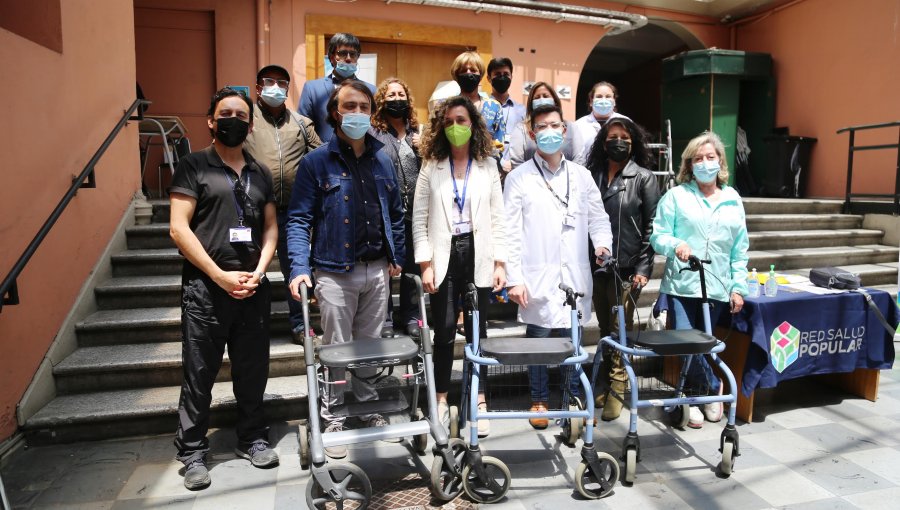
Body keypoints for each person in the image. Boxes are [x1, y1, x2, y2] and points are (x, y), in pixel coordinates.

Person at [286, 80, 406, 459]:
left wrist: (396, 256)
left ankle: (368, 407)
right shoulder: (315, 162)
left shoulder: (382, 158)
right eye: (349, 106)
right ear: (335, 113)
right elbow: (298, 219)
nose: (357, 113)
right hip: (334, 271)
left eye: (364, 106)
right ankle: (334, 414)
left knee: (369, 345)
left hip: (377, 271)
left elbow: (397, 215)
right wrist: (298, 268)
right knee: (337, 348)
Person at [169, 87, 280, 490]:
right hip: (206, 288)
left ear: (249, 125)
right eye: (225, 113)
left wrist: (260, 270)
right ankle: (194, 451)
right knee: (199, 372)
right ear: (212, 121)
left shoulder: (260, 172)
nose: (233, 119)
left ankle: (252, 439)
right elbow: (178, 228)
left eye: (240, 114)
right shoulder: (193, 166)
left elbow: (270, 227)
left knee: (253, 369)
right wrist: (219, 275)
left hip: (253, 287)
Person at [503, 104, 612, 429]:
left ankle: (572, 398)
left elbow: (598, 217)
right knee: (538, 340)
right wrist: (514, 279)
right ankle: (539, 399)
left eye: (555, 125)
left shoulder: (581, 175)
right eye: (542, 126)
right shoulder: (519, 177)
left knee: (573, 341)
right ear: (532, 133)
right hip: (535, 274)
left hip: (574, 275)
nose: (549, 131)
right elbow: (509, 230)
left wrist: (602, 242)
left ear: (564, 132)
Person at [413, 95, 508, 438]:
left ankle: (478, 399)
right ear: (442, 126)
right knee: (445, 331)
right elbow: (419, 218)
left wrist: (500, 261)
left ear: (473, 125)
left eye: (462, 121)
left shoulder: (487, 165)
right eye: (450, 121)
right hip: (443, 253)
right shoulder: (430, 165)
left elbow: (498, 217)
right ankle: (439, 398)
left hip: (478, 251)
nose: (456, 127)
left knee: (478, 331)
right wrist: (425, 263)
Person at [649, 131, 748, 429]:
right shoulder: (676, 196)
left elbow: (739, 249)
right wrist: (674, 245)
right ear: (689, 165)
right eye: (698, 158)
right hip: (681, 284)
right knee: (685, 343)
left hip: (716, 285)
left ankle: (694, 396)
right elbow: (658, 235)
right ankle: (709, 388)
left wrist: (738, 286)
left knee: (703, 344)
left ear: (720, 162)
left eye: (710, 157)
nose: (705, 163)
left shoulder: (733, 200)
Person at [584, 117, 660, 421]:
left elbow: (652, 225)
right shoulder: (592, 176)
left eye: (625, 138)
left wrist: (644, 266)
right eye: (613, 137)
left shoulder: (644, 178)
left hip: (627, 268)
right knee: (605, 327)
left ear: (633, 143)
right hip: (597, 266)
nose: (619, 142)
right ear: (604, 143)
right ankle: (603, 379)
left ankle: (618, 384)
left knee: (621, 327)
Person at [243, 64, 322, 345]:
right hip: (252, 210)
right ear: (258, 87)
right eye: (268, 81)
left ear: (288, 89)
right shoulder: (245, 118)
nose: (275, 87)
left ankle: (301, 325)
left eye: (281, 82)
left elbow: (322, 155)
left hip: (292, 211)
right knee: (251, 267)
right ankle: (250, 325)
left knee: (296, 268)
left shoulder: (301, 123)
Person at [371, 77, 424, 339]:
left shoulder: (418, 131)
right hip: (386, 211)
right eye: (390, 96)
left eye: (400, 94)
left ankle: (412, 316)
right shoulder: (374, 133)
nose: (396, 100)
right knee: (387, 267)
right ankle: (386, 319)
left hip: (416, 210)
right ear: (382, 100)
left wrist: (423, 149)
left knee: (412, 267)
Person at [299, 33, 376, 142]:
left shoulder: (371, 90)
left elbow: (376, 127)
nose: (348, 58)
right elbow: (304, 126)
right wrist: (319, 152)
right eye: (343, 53)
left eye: (353, 54)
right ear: (331, 57)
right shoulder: (312, 88)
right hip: (322, 155)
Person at [508, 81, 579, 169]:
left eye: (545, 96)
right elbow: (516, 160)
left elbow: (579, 159)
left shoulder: (571, 127)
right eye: (537, 97)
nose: (541, 100)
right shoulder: (521, 128)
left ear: (555, 101)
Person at [450, 51, 506, 157]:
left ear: (480, 75)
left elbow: (499, 145)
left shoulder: (494, 107)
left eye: (473, 70)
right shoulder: (447, 107)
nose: (469, 73)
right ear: (457, 76)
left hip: (486, 167)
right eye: (463, 70)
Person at [572, 81, 630, 166]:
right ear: (591, 101)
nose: (603, 100)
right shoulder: (578, 125)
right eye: (599, 96)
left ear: (614, 101)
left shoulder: (626, 122)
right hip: (587, 173)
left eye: (608, 96)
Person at [486, 57, 526, 173]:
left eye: (506, 74)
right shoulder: (482, 107)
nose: (502, 77)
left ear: (511, 77)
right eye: (497, 74)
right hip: (488, 170)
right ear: (489, 78)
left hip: (516, 171)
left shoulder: (522, 111)